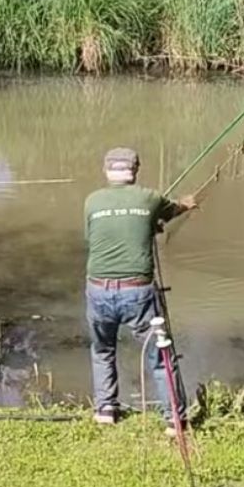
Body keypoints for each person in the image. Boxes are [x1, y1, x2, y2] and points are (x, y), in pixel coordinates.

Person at [83, 147, 196, 435]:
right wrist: (187, 203)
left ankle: (105, 410)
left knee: (103, 350)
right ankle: (173, 419)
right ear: (135, 170)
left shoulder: (92, 201)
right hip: (138, 291)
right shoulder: (149, 197)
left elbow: (94, 236)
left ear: (106, 171)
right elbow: (172, 211)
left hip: (98, 288)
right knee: (160, 356)